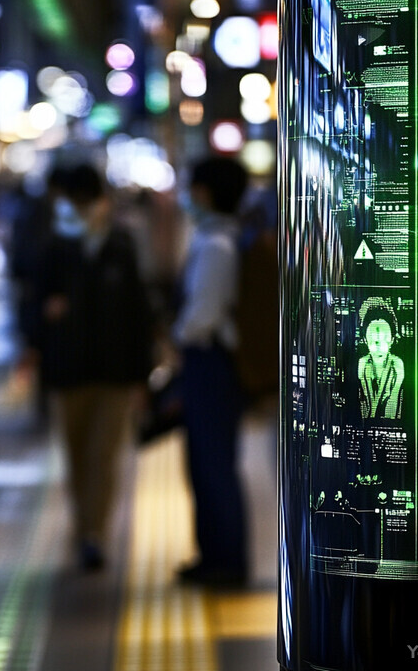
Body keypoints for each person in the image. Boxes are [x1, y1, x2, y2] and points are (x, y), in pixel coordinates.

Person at [37, 162, 153, 571]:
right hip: (68, 371)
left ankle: (94, 535)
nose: (84, 210)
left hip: (115, 372)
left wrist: (142, 376)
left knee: (104, 455)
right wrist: (44, 315)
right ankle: (83, 525)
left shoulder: (122, 244)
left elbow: (140, 314)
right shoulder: (55, 246)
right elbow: (32, 306)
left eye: (89, 202)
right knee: (76, 454)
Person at [173, 155, 249, 586]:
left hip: (212, 363)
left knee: (213, 462)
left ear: (204, 192)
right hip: (211, 363)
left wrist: (177, 333)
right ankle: (214, 554)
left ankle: (226, 560)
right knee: (207, 461)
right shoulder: (220, 237)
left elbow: (203, 314)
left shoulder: (216, 244)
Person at [357, 297, 404, 420]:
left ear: (392, 340)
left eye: (384, 339)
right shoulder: (362, 364)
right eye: (374, 340)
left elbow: (393, 406)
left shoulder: (397, 365)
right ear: (366, 341)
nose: (379, 346)